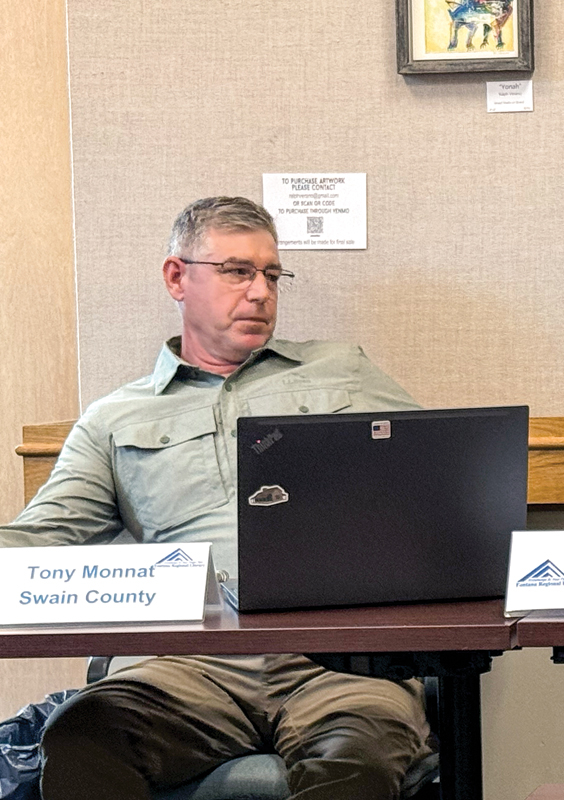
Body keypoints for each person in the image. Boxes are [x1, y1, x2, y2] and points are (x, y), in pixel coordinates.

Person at [0, 196, 432, 799]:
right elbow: (38, 541)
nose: (260, 292)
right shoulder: (115, 418)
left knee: (358, 752)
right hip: (183, 669)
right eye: (237, 271)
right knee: (82, 736)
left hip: (336, 662)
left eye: (272, 274)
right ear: (178, 277)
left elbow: (440, 484)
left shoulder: (344, 374)